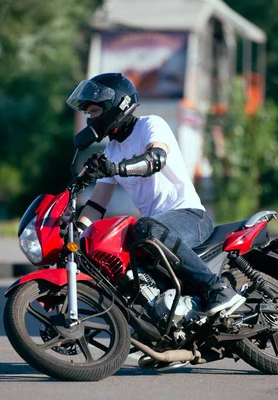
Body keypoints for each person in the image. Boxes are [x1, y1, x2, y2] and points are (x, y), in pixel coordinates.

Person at [66, 72, 244, 317]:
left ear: (115, 106)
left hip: (190, 216)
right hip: (157, 230)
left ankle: (217, 289)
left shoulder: (150, 125)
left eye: (94, 111)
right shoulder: (111, 149)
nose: (90, 119)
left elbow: (155, 159)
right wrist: (76, 232)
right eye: (88, 113)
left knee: (145, 228)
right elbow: (97, 204)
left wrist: (116, 168)